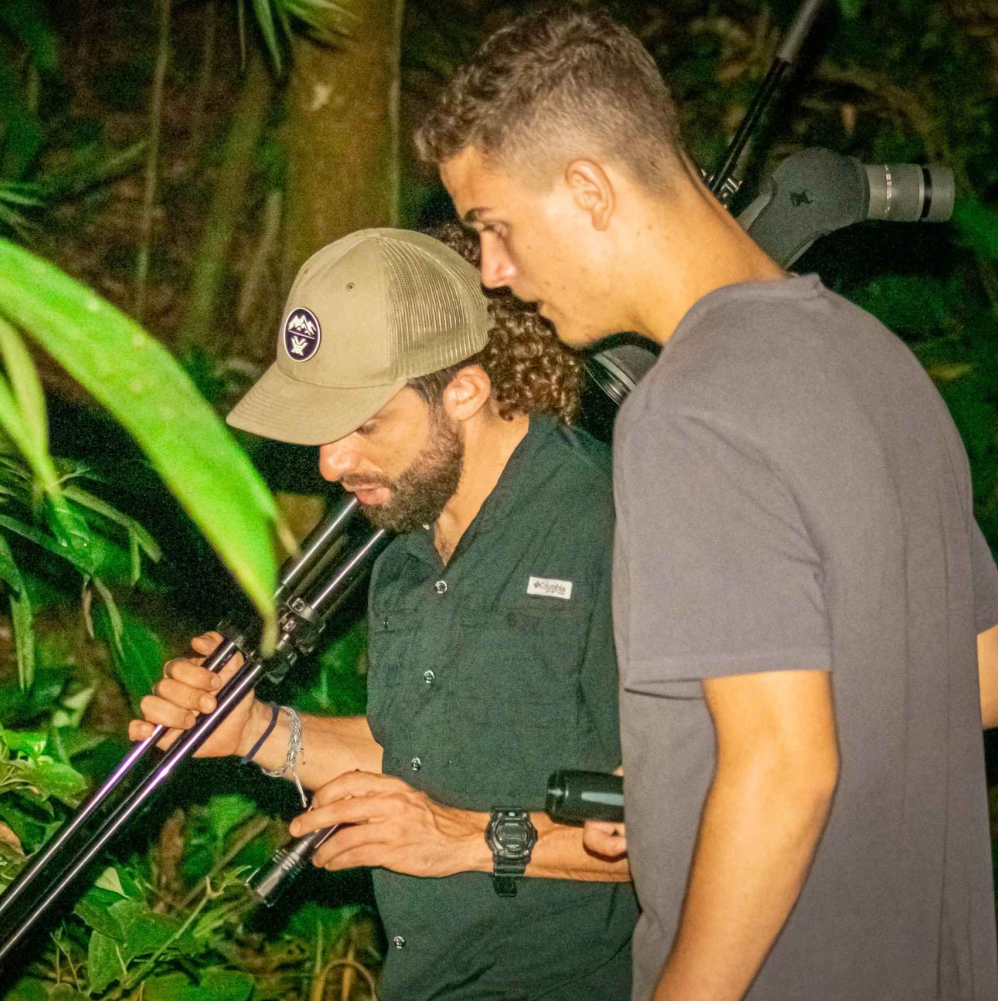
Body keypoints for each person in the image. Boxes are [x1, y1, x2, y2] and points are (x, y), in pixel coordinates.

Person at [417, 8, 998, 1001]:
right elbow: (974, 678)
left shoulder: (689, 408)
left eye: (495, 227)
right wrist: (687, 793)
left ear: (588, 188)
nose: (495, 272)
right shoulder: (878, 361)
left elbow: (784, 767)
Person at [130, 226, 637, 1000]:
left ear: (464, 391)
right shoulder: (403, 543)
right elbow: (423, 754)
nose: (331, 463)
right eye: (320, 427)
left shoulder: (610, 524)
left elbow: (700, 817)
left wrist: (465, 840)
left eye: (365, 423)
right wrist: (253, 731)